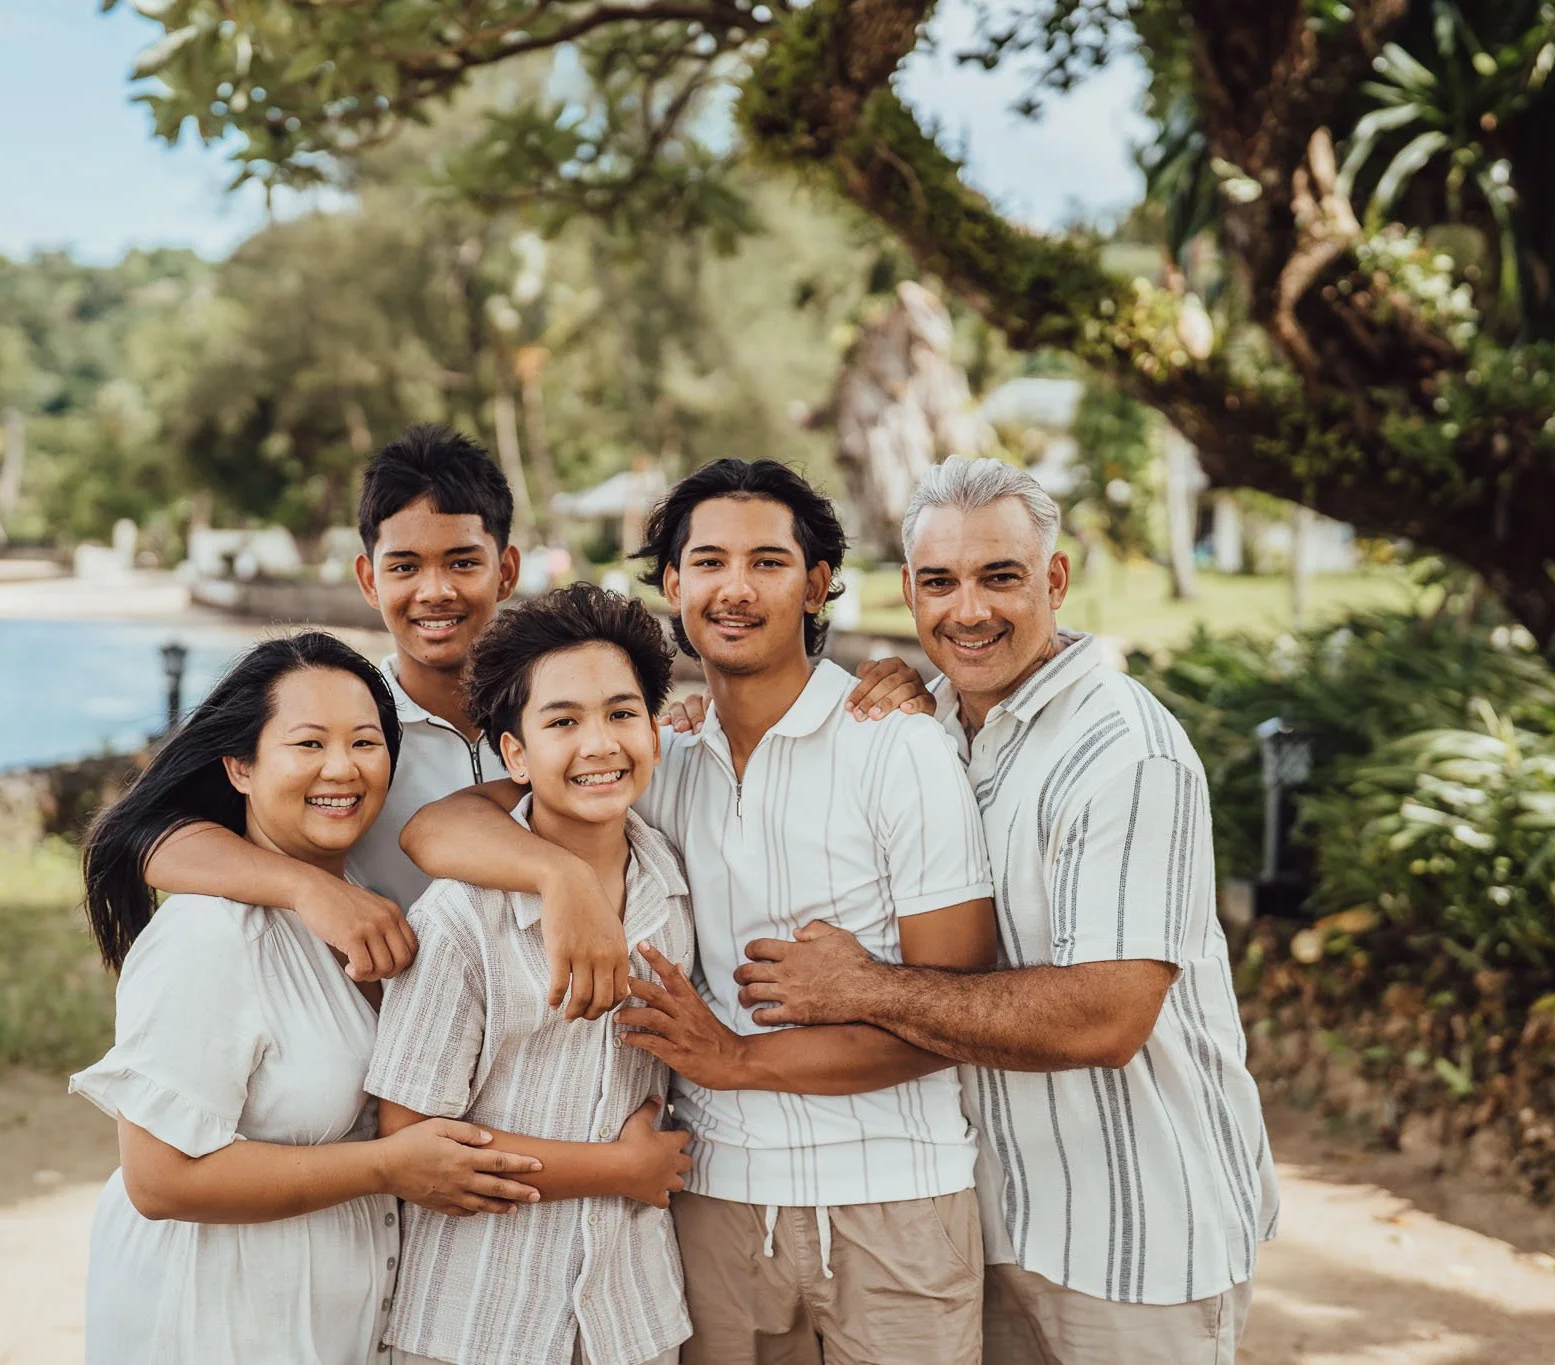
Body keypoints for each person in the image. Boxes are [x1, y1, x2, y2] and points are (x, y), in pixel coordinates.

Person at [403, 459, 999, 1365]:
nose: (736, 588)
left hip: (895, 1196)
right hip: (713, 1204)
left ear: (817, 584)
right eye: (709, 562)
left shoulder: (898, 747)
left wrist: (737, 1058)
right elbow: (436, 826)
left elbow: (961, 1008)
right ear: (674, 586)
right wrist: (560, 880)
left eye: (768, 562)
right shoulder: (663, 755)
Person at [734, 456, 1280, 1365]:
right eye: (940, 582)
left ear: (1054, 579)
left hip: (1135, 1238)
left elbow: (1106, 1015)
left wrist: (864, 986)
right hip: (983, 1228)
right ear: (909, 591)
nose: (969, 610)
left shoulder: (1126, 752)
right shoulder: (925, 726)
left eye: (1000, 577)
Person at [142, 424, 935, 1022]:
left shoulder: (577, 725)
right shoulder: (346, 724)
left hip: (556, 1063)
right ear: (368, 579)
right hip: (376, 1052)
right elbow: (153, 834)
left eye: (463, 561)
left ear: (507, 569)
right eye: (405, 567)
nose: (435, 591)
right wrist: (309, 889)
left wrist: (900, 686)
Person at [69, 632, 546, 1364]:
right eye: (308, 743)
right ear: (240, 766)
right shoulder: (209, 934)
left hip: (324, 1318)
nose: (342, 767)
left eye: (365, 742)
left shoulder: (369, 909)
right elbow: (159, 1179)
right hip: (212, 1317)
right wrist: (385, 1166)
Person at [369, 583, 696, 1365]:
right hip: (478, 1324)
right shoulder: (459, 919)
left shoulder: (672, 886)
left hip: (634, 1319)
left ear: (655, 732)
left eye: (621, 714)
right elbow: (409, 1144)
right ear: (514, 754)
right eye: (563, 722)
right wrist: (620, 1168)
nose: (599, 744)